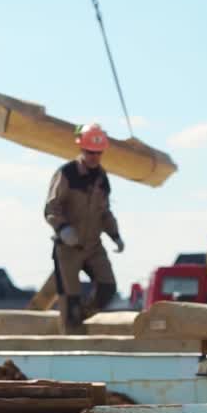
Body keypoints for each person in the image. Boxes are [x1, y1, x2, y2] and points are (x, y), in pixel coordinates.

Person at [45, 123, 124, 333]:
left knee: (108, 288)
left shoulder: (102, 178)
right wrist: (62, 228)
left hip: (93, 245)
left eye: (98, 153)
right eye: (90, 152)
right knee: (70, 301)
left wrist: (115, 235)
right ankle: (71, 331)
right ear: (82, 149)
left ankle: (84, 315)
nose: (94, 157)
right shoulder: (67, 173)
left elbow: (105, 212)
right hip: (68, 248)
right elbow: (51, 207)